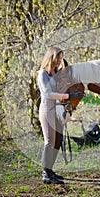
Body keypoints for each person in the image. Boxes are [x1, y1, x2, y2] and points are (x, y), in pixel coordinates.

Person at [37, 47, 71, 184]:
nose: (59, 61)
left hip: (56, 110)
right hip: (46, 109)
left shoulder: (54, 74)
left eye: (60, 58)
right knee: (50, 141)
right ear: (50, 57)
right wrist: (66, 95)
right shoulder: (42, 74)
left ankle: (50, 171)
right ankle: (45, 174)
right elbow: (47, 94)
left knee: (57, 141)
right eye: (57, 58)